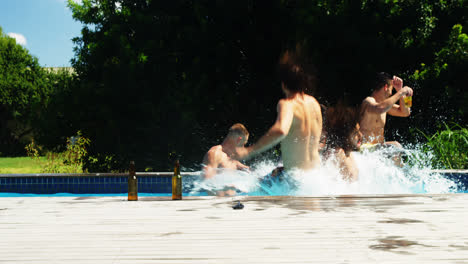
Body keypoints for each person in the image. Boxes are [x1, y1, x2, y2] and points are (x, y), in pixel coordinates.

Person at [236, 50, 322, 172]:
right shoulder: (314, 103)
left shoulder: (287, 104)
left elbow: (281, 130)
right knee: (274, 173)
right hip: (315, 175)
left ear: (283, 84)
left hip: (295, 182)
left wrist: (249, 151)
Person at [359, 72, 413, 149]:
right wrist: (401, 92)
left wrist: (404, 93)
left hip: (377, 150)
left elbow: (406, 112)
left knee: (396, 147)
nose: (391, 93)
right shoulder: (368, 102)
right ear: (386, 87)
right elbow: (380, 108)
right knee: (396, 146)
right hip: (364, 149)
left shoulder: (385, 106)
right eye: (391, 89)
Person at [323, 105, 362, 181]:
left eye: (359, 131)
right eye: (356, 133)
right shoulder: (337, 153)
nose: (361, 135)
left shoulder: (349, 153)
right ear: (346, 135)